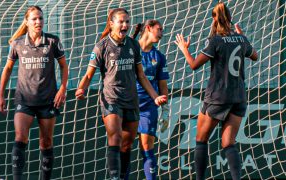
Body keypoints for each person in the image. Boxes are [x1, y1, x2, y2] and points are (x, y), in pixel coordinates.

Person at [75, 8, 167, 180]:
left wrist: (155, 96)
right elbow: (89, 74)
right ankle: (114, 177)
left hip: (131, 100)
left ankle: (122, 176)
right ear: (111, 24)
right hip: (111, 99)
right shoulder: (101, 46)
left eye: (127, 22)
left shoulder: (133, 45)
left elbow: (141, 75)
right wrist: (81, 88)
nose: (125, 25)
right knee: (115, 137)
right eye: (121, 22)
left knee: (126, 145)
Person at [174, 2, 258, 180]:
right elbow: (255, 56)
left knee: (200, 139)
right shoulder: (241, 39)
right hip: (238, 97)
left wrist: (184, 50)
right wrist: (244, 37)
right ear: (229, 18)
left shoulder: (216, 41)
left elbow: (194, 65)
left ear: (214, 19)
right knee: (229, 143)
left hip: (218, 97)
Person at [0, 5, 68, 180]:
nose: (38, 22)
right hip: (24, 99)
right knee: (20, 136)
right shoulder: (18, 43)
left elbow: (63, 66)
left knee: (46, 142)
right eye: (34, 19)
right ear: (27, 21)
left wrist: (63, 88)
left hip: (47, 100)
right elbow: (7, 69)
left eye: (41, 18)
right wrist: (1, 95)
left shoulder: (52, 41)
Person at [131, 20, 169, 180]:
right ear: (148, 28)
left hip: (148, 107)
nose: (161, 33)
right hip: (127, 104)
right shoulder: (130, 50)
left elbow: (163, 85)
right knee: (124, 147)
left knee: (147, 147)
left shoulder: (158, 56)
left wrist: (165, 111)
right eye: (159, 29)